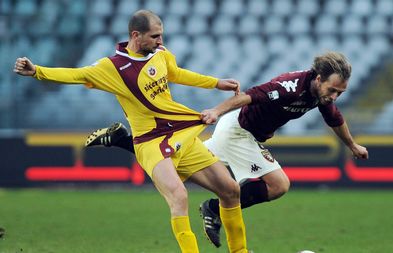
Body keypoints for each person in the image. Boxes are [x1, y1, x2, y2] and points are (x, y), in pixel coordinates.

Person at [13, 10, 249, 253]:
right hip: (150, 143)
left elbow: (176, 73)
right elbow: (77, 74)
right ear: (136, 35)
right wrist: (37, 71)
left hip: (179, 134)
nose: (161, 41)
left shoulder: (160, 54)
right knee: (179, 196)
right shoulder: (112, 67)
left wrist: (215, 82)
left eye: (161, 36)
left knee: (231, 190)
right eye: (155, 36)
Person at [85, 52, 369, 248]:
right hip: (238, 131)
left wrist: (352, 144)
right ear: (319, 78)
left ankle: (123, 138)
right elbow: (250, 95)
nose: (334, 97)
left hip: (242, 134)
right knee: (279, 184)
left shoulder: (320, 94)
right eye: (333, 90)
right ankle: (214, 209)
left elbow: (335, 118)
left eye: (339, 93)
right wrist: (216, 110)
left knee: (175, 164)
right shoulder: (290, 87)